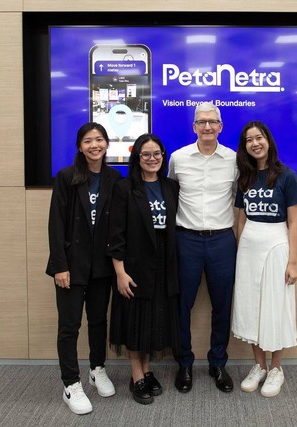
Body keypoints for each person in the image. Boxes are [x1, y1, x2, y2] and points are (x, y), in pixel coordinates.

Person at [46, 122, 121, 415]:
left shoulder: (115, 178)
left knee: (98, 321)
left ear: (106, 144)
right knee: (69, 326)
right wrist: (59, 266)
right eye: (88, 140)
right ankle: (70, 384)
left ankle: (97, 368)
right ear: (80, 146)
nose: (94, 145)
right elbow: (56, 225)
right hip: (71, 267)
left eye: (99, 139)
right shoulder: (67, 177)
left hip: (102, 265)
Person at [168, 101, 238, 393]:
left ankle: (217, 362)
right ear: (194, 127)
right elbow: (170, 193)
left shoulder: (235, 160)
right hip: (186, 240)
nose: (207, 127)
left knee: (222, 305)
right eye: (201, 122)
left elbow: (238, 199)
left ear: (221, 127)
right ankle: (184, 363)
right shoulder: (177, 158)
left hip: (222, 240)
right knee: (182, 304)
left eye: (212, 122)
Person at [107, 133, 181, 405]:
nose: (152, 159)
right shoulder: (124, 188)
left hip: (163, 264)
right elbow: (116, 233)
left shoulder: (170, 186)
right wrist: (120, 271)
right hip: (135, 265)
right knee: (135, 321)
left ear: (163, 156)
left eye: (157, 154)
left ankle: (147, 370)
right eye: (146, 155)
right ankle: (136, 373)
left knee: (154, 321)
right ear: (137, 158)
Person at [232, 120, 297, 398]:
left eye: (259, 137)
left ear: (268, 141)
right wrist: (241, 250)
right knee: (251, 307)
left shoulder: (287, 176)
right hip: (248, 247)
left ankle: (276, 369)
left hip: (276, 245)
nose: (255, 143)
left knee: (275, 306)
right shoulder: (245, 178)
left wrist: (293, 261)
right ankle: (259, 366)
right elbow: (241, 218)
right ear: (245, 147)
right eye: (249, 140)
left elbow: (294, 223)